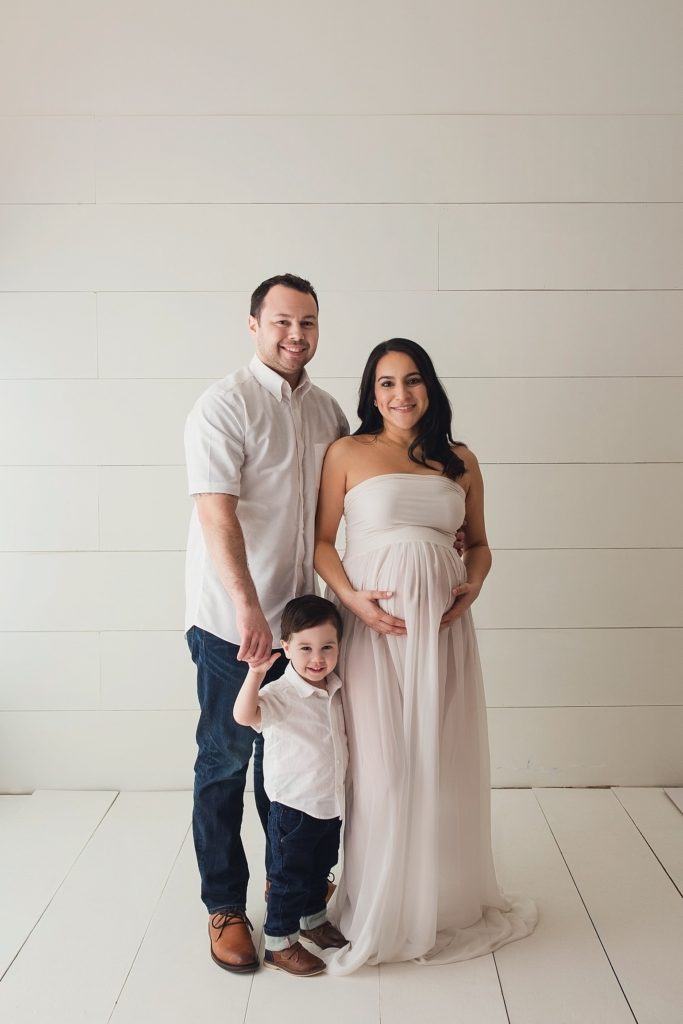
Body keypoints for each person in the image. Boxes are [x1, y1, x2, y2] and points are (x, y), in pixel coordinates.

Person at [314, 338, 537, 974]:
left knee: (440, 764)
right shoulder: (348, 453)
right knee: (383, 772)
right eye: (386, 384)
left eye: (412, 381)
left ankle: (438, 901)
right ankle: (380, 902)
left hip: (441, 631)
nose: (400, 395)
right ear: (371, 394)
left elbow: (483, 544)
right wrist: (355, 601)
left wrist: (473, 582)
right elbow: (323, 543)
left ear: (430, 388)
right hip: (375, 630)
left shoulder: (459, 459)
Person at [184, 273, 348, 972]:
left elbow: (354, 499)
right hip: (233, 623)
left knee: (286, 770)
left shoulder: (329, 412)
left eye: (307, 323)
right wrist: (248, 607)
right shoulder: (223, 405)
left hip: (303, 626)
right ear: (253, 325)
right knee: (226, 761)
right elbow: (216, 512)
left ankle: (292, 895)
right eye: (282, 321)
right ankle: (225, 904)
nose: (295, 335)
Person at [233, 595, 349, 977]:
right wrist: (255, 673)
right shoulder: (281, 693)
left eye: (327, 647)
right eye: (306, 648)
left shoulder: (333, 686)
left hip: (327, 804)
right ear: (287, 648)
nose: (317, 658)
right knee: (288, 876)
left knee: (320, 867)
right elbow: (244, 714)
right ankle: (280, 943)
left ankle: (312, 920)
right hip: (294, 807)